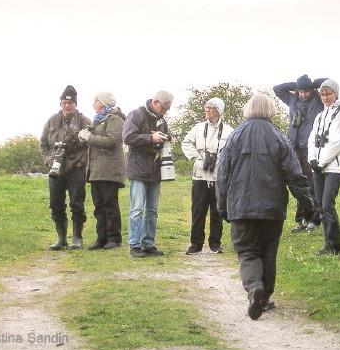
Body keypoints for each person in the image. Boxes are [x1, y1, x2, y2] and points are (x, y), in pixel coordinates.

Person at [216, 93, 314, 320]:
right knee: (268, 252)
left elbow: (222, 175)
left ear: (247, 110)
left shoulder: (234, 137)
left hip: (241, 206)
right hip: (272, 207)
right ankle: (264, 297)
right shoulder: (279, 138)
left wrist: (223, 206)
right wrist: (308, 204)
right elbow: (294, 174)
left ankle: (254, 288)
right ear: (271, 111)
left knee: (247, 251)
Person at [122, 91, 174, 258]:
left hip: (155, 171)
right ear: (155, 102)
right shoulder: (136, 115)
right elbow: (128, 137)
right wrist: (151, 138)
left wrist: (166, 138)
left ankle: (148, 244)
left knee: (152, 210)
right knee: (137, 209)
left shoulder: (162, 121)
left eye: (167, 109)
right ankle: (134, 245)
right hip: (138, 169)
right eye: (164, 108)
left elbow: (160, 141)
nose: (165, 112)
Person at [40, 85, 91, 250]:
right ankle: (61, 238)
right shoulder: (52, 121)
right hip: (55, 168)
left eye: (70, 103)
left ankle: (77, 238)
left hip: (76, 168)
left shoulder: (84, 121)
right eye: (64, 103)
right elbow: (43, 144)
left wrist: (81, 161)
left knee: (77, 203)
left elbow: (90, 145)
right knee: (56, 204)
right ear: (60, 103)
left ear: (75, 104)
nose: (67, 106)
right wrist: (49, 161)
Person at [273, 74, 326, 232]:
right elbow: (277, 89)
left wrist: (313, 85)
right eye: (300, 91)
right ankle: (301, 219)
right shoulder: (292, 99)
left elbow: (327, 82)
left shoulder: (318, 100)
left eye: (306, 91)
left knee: (312, 182)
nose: (303, 94)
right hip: (293, 146)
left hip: (310, 147)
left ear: (311, 90)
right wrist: (297, 85)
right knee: (297, 182)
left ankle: (315, 218)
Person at [181, 97, 234, 255]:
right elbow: (186, 143)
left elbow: (232, 150)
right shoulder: (198, 128)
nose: (207, 110)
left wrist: (221, 161)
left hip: (218, 176)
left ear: (218, 110)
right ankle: (195, 244)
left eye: (210, 108)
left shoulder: (228, 131)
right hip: (200, 175)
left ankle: (215, 243)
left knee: (217, 211)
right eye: (206, 107)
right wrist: (197, 158)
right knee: (198, 210)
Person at [307, 79, 340, 255]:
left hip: (334, 167)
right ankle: (328, 243)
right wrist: (312, 159)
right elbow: (312, 138)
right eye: (323, 94)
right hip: (318, 167)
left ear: (336, 93)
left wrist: (322, 162)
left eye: (328, 93)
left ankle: (335, 244)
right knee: (320, 205)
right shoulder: (320, 115)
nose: (325, 97)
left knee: (327, 204)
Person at [78, 91, 126, 250]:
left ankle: (114, 238)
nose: (93, 104)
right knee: (99, 205)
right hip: (96, 170)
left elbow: (112, 140)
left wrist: (89, 138)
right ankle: (101, 237)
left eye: (95, 101)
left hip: (109, 169)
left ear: (102, 103)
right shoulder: (98, 120)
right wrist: (84, 138)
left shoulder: (115, 119)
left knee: (109, 204)